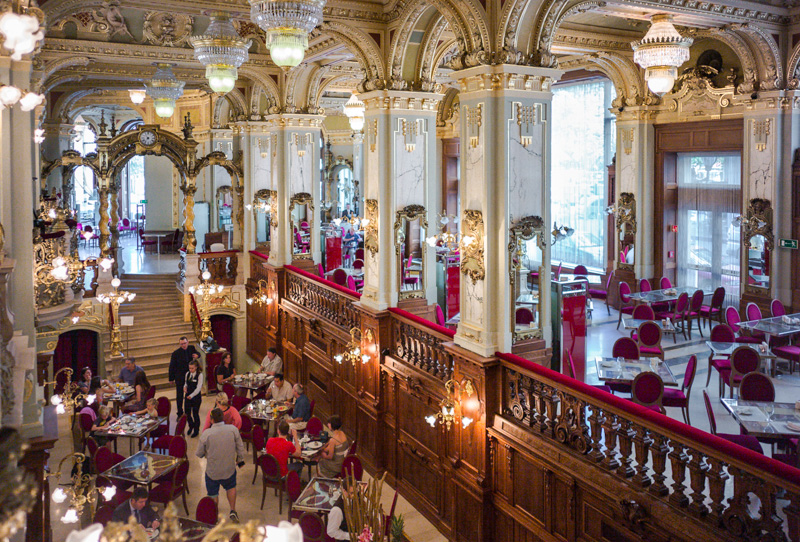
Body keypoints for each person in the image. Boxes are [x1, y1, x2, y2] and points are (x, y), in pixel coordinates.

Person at [196, 408, 245, 523]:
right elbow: (240, 447)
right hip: (229, 469)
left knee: (213, 493)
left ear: (212, 420)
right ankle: (233, 510)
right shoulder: (233, 430)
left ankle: (215, 514)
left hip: (213, 471)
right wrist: (240, 459)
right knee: (231, 487)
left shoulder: (206, 434)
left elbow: (199, 453)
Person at [169, 336, 199, 418]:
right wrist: (171, 378)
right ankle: (179, 412)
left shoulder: (191, 348)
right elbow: (172, 366)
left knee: (190, 393)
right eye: (181, 344)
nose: (183, 345)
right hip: (180, 376)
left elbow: (198, 354)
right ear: (179, 344)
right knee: (179, 395)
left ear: (188, 342)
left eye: (185, 343)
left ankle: (188, 410)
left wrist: (197, 356)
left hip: (190, 376)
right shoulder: (176, 353)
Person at [184, 359, 204, 437]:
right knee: (187, 413)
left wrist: (191, 395)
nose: (190, 370)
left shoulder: (200, 375)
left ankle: (196, 430)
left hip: (196, 397)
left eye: (192, 368)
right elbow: (186, 383)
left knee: (195, 413)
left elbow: (198, 388)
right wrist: (185, 387)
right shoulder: (187, 374)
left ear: (196, 367)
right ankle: (191, 425)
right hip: (188, 395)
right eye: (189, 368)